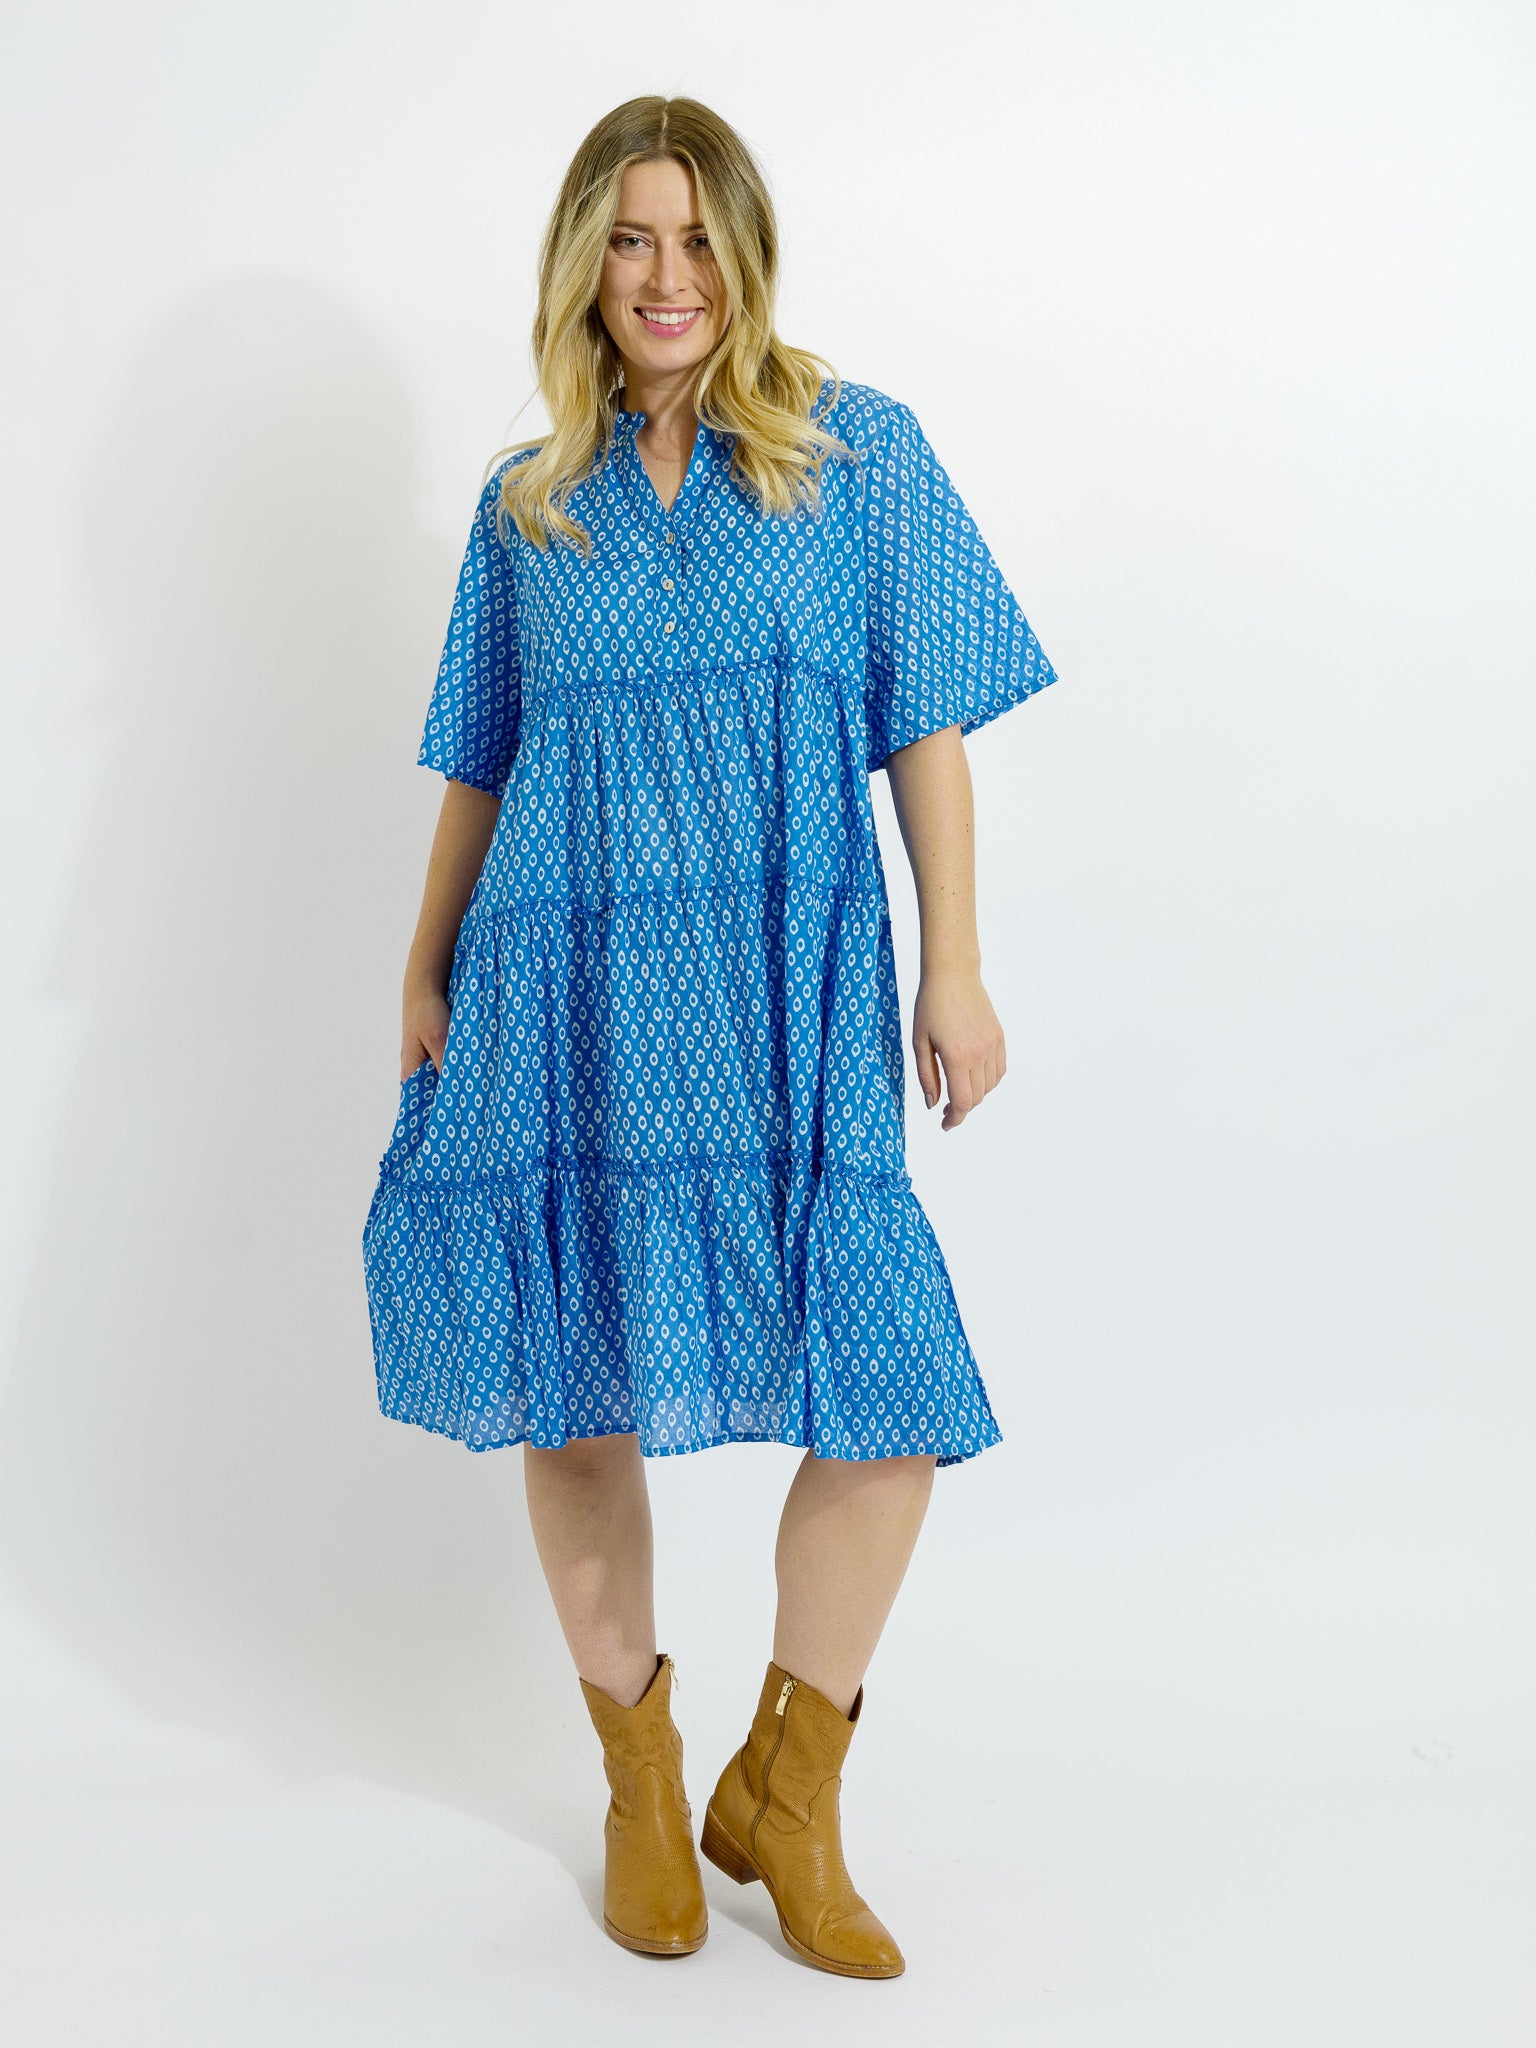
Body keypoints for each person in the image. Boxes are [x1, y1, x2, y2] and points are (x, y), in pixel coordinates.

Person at [361, 94, 1058, 1979]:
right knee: (576, 1376)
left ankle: (792, 1787)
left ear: (744, 254)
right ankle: (646, 1778)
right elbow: (479, 763)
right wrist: (423, 962)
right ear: (583, 260)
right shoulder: (533, 505)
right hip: (560, 989)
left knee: (889, 1397)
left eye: (695, 239)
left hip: (786, 990)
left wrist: (957, 962)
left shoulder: (859, 459)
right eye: (629, 238)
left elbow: (930, 728)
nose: (665, 278)